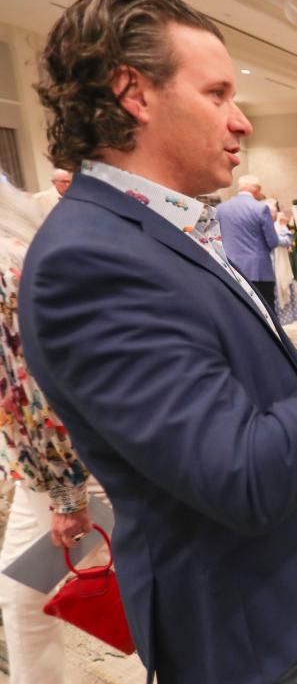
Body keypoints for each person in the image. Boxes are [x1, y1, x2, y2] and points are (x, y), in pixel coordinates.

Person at [19, 0, 297, 683]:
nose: (240, 122)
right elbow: (244, 472)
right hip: (229, 620)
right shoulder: (87, 261)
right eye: (218, 94)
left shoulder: (155, 230)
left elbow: (244, 390)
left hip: (267, 589)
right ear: (133, 94)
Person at [0, 177, 94, 684]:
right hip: (49, 466)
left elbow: (29, 389)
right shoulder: (19, 234)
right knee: (21, 597)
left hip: (67, 465)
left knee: (27, 600)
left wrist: (65, 494)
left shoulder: (5, 253)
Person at [216, 173, 281, 310]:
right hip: (258, 271)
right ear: (257, 189)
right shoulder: (261, 208)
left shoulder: (221, 209)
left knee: (235, 311)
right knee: (264, 313)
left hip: (230, 269)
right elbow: (273, 241)